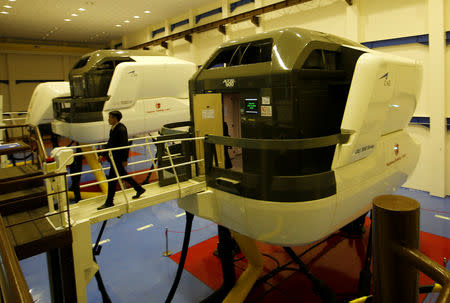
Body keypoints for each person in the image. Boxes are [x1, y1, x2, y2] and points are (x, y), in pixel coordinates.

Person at [97, 110, 145, 210]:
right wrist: (102, 154)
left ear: (115, 118)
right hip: (114, 159)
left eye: (110, 117)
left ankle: (109, 202)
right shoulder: (113, 129)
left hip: (118, 159)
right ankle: (139, 189)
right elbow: (110, 143)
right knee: (122, 175)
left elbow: (124, 145)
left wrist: (124, 159)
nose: (108, 119)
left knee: (112, 180)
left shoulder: (121, 129)